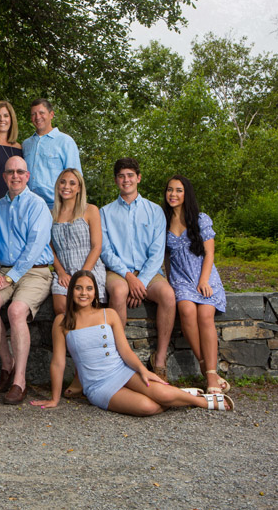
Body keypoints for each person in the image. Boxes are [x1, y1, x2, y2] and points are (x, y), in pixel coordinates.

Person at [30, 271, 234, 414]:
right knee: (149, 407)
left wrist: (143, 370)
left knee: (160, 393)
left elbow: (125, 351)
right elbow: (58, 362)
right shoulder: (62, 322)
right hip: (98, 385)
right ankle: (176, 395)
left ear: (95, 293)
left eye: (89, 288)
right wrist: (55, 398)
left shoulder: (108, 314)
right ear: (71, 292)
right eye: (78, 288)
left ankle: (201, 402)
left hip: (121, 370)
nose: (84, 293)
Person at [0, 156, 53, 405]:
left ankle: (20, 380)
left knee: (16, 311)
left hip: (35, 271)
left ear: (27, 176)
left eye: (20, 171)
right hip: (5, 270)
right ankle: (7, 363)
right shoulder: (0, 206)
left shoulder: (37, 205)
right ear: (4, 177)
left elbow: (35, 247)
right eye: (10, 172)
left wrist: (12, 276)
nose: (15, 176)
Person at [100, 157, 176, 381]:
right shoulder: (105, 212)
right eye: (121, 176)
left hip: (149, 272)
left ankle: (159, 359)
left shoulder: (154, 211)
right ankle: (120, 359)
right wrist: (128, 277)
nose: (126, 180)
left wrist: (140, 281)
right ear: (116, 180)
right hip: (118, 271)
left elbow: (157, 253)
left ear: (139, 178)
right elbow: (106, 251)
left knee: (168, 295)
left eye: (130, 175)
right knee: (119, 291)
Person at [163, 175, 230, 395]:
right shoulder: (163, 221)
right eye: (170, 190)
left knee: (205, 315)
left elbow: (210, 253)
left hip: (204, 274)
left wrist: (203, 280)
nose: (173, 194)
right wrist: (169, 280)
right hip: (181, 277)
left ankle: (209, 373)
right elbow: (166, 257)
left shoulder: (200, 219)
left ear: (186, 194)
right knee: (186, 310)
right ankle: (208, 369)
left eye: (178, 190)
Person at [49, 168, 107, 397]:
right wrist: (60, 271)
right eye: (63, 182)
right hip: (64, 272)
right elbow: (50, 248)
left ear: (79, 187)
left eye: (72, 183)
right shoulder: (51, 213)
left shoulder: (90, 210)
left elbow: (97, 246)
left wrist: (82, 277)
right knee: (62, 310)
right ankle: (77, 366)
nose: (67, 186)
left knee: (84, 312)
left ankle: (80, 373)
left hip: (89, 270)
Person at [21, 98, 82, 209]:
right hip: (29, 205)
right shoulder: (26, 144)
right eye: (33, 114)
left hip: (56, 206)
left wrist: (70, 209)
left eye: (41, 113)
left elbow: (76, 178)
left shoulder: (65, 141)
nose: (37, 117)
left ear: (51, 114)